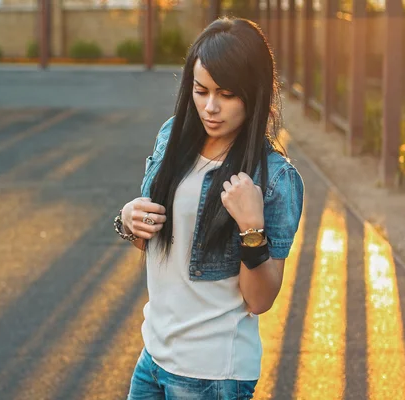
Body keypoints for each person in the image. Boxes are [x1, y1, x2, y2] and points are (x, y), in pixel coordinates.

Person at [113, 17, 304, 400]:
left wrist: (251, 228)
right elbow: (164, 247)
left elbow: (260, 300)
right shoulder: (172, 136)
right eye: (201, 90)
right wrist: (129, 221)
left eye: (227, 94)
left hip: (212, 374)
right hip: (154, 355)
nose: (210, 107)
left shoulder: (276, 179)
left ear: (255, 94)